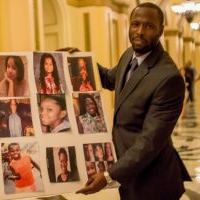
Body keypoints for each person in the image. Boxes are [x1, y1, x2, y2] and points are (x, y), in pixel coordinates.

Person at [76, 3, 191, 199]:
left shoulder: (168, 78)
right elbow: (110, 78)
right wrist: (79, 60)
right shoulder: (130, 54)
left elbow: (149, 142)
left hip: (154, 179)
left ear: (161, 30)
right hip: (129, 171)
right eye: (135, 24)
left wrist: (108, 175)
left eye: (149, 26)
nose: (139, 31)